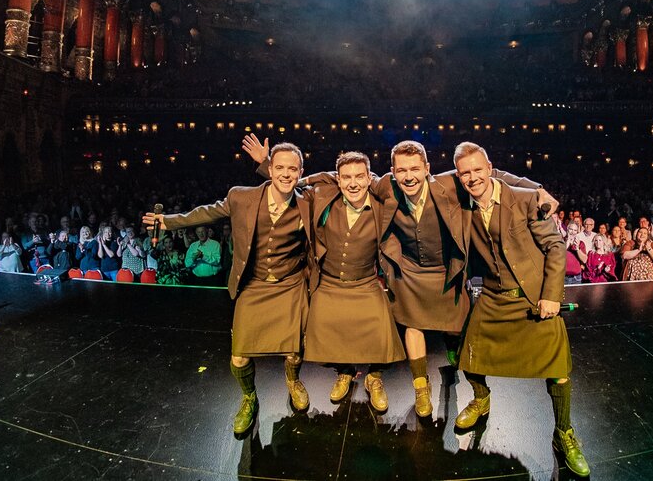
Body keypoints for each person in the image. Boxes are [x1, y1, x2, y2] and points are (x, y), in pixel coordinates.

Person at [243, 134, 554, 417]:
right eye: (401, 170)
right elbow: (317, 180)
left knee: (458, 336)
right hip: (410, 274)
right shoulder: (384, 186)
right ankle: (421, 389)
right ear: (391, 172)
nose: (409, 176)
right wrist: (267, 164)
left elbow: (491, 174)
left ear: (427, 168)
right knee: (413, 328)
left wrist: (537, 189)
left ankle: (476, 391)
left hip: (446, 272)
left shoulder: (448, 184)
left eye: (415, 169)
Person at [142, 142, 313, 435]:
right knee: (239, 356)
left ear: (301, 172)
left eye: (293, 169)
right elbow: (207, 213)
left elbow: (335, 181)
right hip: (255, 285)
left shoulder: (309, 202)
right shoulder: (241, 197)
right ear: (270, 170)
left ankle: (293, 381)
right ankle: (249, 398)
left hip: (290, 285)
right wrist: (168, 222)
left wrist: (264, 161)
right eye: (279, 167)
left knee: (295, 351)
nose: (286, 174)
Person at [451, 142, 589, 478]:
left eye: (477, 170)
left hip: (533, 298)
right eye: (465, 173)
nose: (472, 177)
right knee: (469, 354)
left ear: (490, 168)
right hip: (494, 297)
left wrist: (551, 295)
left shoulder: (526, 199)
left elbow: (555, 247)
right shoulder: (461, 206)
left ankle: (564, 434)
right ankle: (481, 399)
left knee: (557, 369)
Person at [300, 151, 406, 411]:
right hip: (329, 282)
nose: (353, 183)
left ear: (370, 178)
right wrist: (265, 164)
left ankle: (374, 378)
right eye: (346, 177)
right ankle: (344, 372)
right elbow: (290, 186)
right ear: (338, 180)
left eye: (360, 176)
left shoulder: (383, 206)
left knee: (383, 330)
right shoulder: (324, 198)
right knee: (324, 327)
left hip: (366, 281)